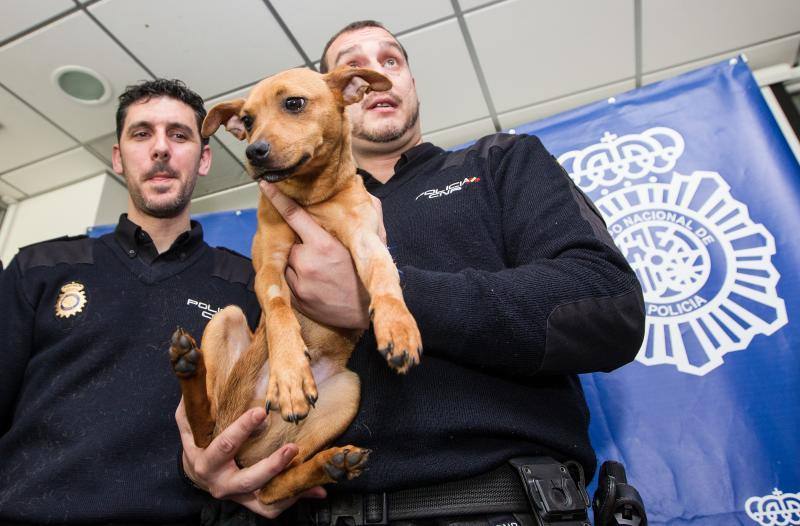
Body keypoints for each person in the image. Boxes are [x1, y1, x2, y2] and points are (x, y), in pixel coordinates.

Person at [252, 20, 646, 524]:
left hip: (500, 505)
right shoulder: (293, 217)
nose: (373, 73)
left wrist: (384, 299)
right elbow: (270, 372)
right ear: (339, 96)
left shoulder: (501, 160)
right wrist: (220, 464)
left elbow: (608, 305)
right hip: (326, 509)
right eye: (352, 67)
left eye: (390, 60)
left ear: (411, 81)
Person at [0, 79, 322, 524]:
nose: (160, 149)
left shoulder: (251, 285)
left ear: (204, 157)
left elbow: (270, 420)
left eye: (179, 134)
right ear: (118, 157)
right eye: (141, 133)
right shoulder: (39, 268)